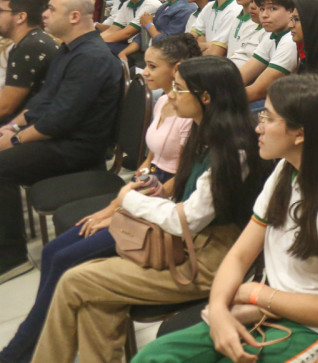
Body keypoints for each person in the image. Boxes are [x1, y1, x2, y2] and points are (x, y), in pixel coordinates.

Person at [33, 57, 270, 361]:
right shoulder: (205, 132)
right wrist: (161, 195)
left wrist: (127, 199)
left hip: (212, 261)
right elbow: (195, 203)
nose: (170, 95)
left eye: (178, 89)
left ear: (206, 98)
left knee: (75, 281)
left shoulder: (234, 148)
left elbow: (187, 219)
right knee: (96, 299)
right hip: (190, 245)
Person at [132, 75, 318, 363]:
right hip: (264, 309)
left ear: (299, 133)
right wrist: (218, 311)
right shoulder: (285, 172)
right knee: (155, 356)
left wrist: (256, 294)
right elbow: (240, 254)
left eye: (268, 118)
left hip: (311, 329)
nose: (258, 127)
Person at [0, 34, 200, 361]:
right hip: (142, 188)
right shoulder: (165, 100)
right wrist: (137, 180)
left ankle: (20, 350)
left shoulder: (191, 114)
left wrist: (115, 208)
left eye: (152, 66)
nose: (144, 72)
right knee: (53, 251)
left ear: (176, 68)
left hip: (160, 201)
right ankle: (35, 339)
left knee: (65, 258)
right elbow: (153, 154)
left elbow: (178, 179)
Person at [0, 0, 123, 277]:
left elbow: (59, 120)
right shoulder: (70, 49)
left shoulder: (90, 57)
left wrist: (15, 140)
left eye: (52, 9)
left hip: (77, 148)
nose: (44, 13)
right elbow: (44, 101)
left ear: (74, 16)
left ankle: (11, 256)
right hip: (61, 138)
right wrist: (12, 127)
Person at [0, 0, 58, 124]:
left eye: (1, 11)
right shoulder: (31, 40)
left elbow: (5, 107)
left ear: (20, 17)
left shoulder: (31, 46)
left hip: (27, 128)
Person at [238, 0, 299, 103]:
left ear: (291, 11)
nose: (264, 15)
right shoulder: (272, 34)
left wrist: (215, 100)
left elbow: (258, 91)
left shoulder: (291, 40)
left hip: (289, 104)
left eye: (273, 9)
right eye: (262, 9)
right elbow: (243, 75)